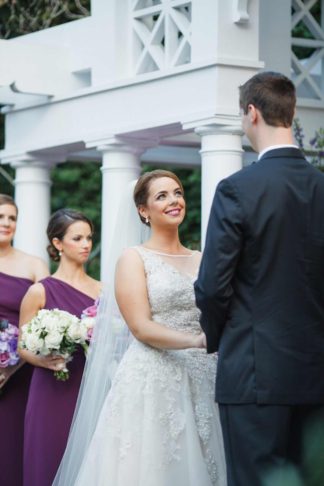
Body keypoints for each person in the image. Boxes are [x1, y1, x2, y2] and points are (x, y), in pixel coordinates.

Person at [54, 170, 227, 486]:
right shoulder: (133, 258)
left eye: (177, 192)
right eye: (161, 196)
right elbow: (141, 327)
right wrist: (199, 341)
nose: (174, 200)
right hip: (154, 377)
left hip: (205, 376)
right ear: (143, 211)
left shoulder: (203, 258)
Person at [194, 71, 324, 486]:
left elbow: (213, 285)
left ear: (251, 113)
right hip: (317, 374)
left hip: (254, 373)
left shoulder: (237, 189)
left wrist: (217, 339)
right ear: (290, 112)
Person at [19, 208, 101, 486]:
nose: (86, 244)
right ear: (58, 243)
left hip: (91, 386)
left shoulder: (103, 290)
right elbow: (22, 346)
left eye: (89, 238)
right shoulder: (40, 291)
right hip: (50, 388)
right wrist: (45, 361)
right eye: (77, 238)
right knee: (48, 457)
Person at [0, 194, 49, 486]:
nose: (6, 223)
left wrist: (10, 366)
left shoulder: (33, 265)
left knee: (11, 448)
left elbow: (47, 319)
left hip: (20, 375)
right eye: (0, 217)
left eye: (12, 218)